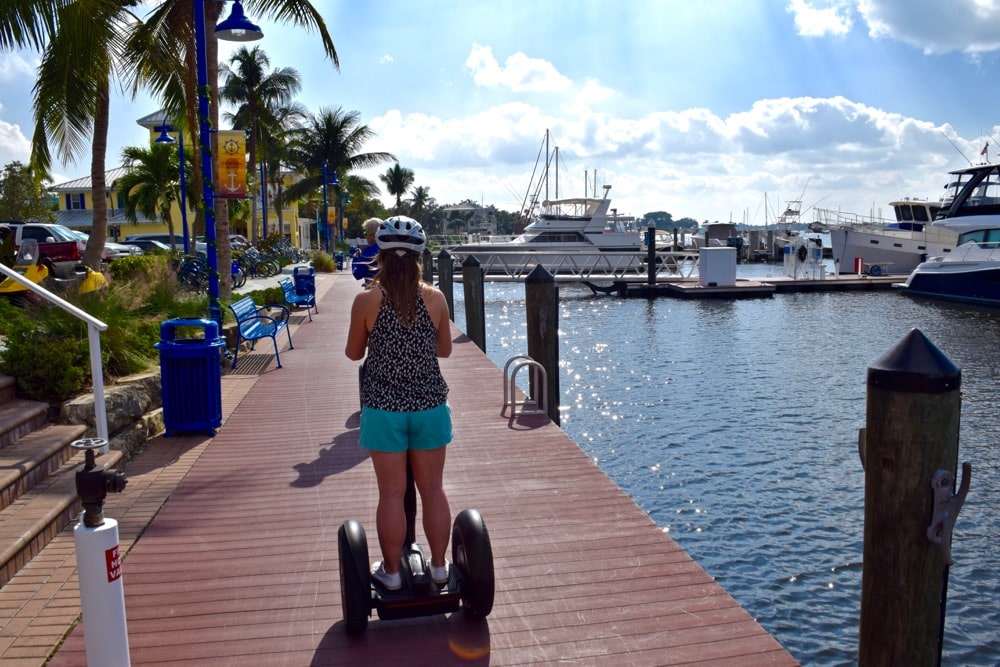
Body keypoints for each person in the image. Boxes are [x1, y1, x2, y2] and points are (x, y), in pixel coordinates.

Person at [345, 215, 454, 591]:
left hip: (383, 409)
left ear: (382, 255)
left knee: (391, 493)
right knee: (433, 489)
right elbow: (445, 351)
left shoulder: (366, 300)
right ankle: (440, 568)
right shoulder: (435, 298)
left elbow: (353, 353)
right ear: (419, 257)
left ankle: (391, 573)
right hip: (429, 406)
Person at [351, 217, 382, 286]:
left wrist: (355, 259)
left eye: (366, 233)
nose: (365, 236)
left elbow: (358, 274)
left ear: (374, 235)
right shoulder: (390, 248)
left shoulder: (369, 251)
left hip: (373, 290)